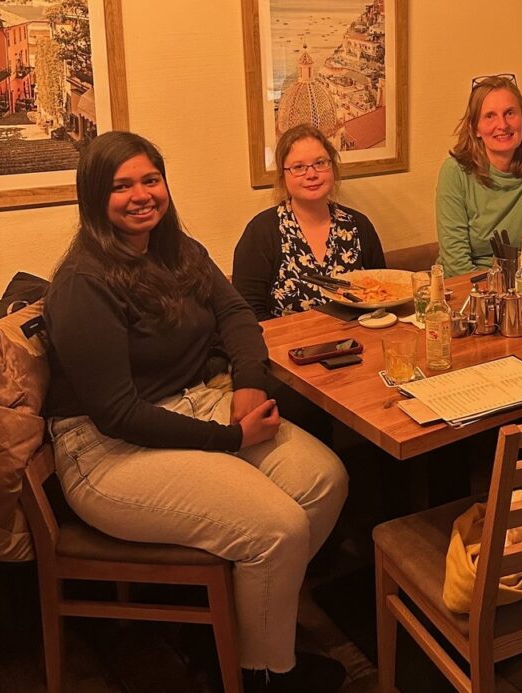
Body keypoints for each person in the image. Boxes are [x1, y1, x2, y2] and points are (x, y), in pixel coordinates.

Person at [44, 131, 349, 691]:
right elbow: (117, 413)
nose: (142, 195)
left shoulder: (176, 249)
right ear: (94, 196)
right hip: (105, 449)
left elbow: (236, 315)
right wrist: (231, 440)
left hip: (196, 402)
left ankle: (231, 634)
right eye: (121, 186)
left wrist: (249, 384)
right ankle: (262, 674)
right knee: (277, 527)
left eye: (151, 179)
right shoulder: (83, 282)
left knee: (324, 480)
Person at [233, 123, 385, 320]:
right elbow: (247, 313)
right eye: (298, 167)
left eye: (320, 163)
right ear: (283, 176)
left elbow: (381, 296)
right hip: (287, 339)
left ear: (332, 167)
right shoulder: (261, 232)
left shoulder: (358, 225)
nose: (312, 174)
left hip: (358, 336)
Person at [436, 74, 522, 276]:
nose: (502, 125)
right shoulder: (455, 172)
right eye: (490, 116)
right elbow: (456, 263)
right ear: (475, 128)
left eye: (510, 113)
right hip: (470, 283)